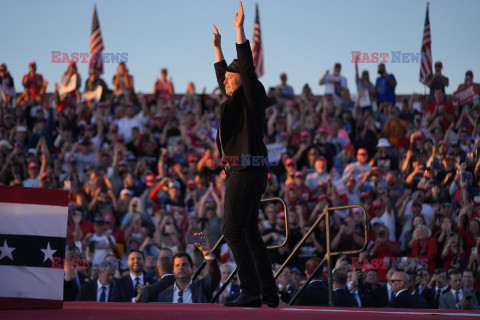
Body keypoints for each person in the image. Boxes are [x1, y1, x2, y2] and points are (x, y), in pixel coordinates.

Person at [211, 2, 278, 308]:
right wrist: (218, 48)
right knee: (249, 232)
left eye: (228, 77)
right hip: (251, 172)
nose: (223, 80)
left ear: (240, 79)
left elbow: (246, 69)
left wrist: (238, 31)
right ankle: (268, 293)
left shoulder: (250, 95)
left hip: (245, 171)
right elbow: (225, 75)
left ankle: (250, 290)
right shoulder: (238, 99)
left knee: (231, 230)